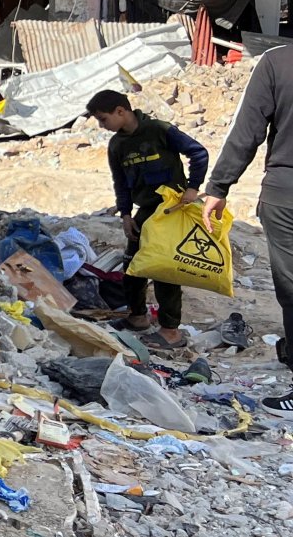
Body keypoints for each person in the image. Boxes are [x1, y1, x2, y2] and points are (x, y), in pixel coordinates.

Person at [200, 44, 293, 415]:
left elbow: (248, 130)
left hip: (286, 196)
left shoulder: (278, 61)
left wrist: (219, 187)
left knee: (291, 288)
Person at [86, 89, 209, 350]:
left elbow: (198, 153)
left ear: (121, 111)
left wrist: (192, 188)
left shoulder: (159, 130)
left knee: (164, 271)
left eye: (103, 119)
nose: (101, 125)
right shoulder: (117, 145)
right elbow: (120, 181)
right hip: (145, 213)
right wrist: (126, 214)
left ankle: (171, 332)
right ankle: (138, 318)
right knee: (132, 268)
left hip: (170, 212)